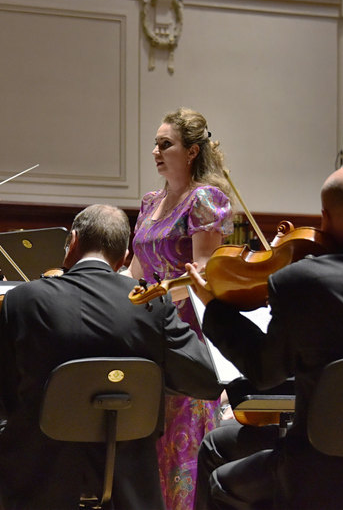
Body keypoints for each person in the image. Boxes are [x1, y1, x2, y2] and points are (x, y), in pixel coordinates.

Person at [0, 204, 221, 509]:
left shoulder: (23, 299)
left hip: (38, 478)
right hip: (125, 479)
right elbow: (207, 380)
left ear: (73, 241)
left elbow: (3, 402)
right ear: (123, 259)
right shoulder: (151, 303)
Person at [187, 164, 343, 510]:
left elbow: (265, 373)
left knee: (220, 472)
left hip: (316, 467)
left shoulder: (304, 283)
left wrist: (215, 309)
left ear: (326, 217)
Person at [124, 108, 233, 509]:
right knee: (148, 435)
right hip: (146, 324)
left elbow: (203, 271)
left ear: (190, 151)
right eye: (155, 143)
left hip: (183, 329)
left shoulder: (204, 198)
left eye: (165, 144)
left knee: (182, 438)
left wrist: (152, 302)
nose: (155, 151)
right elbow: (134, 269)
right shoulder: (151, 201)